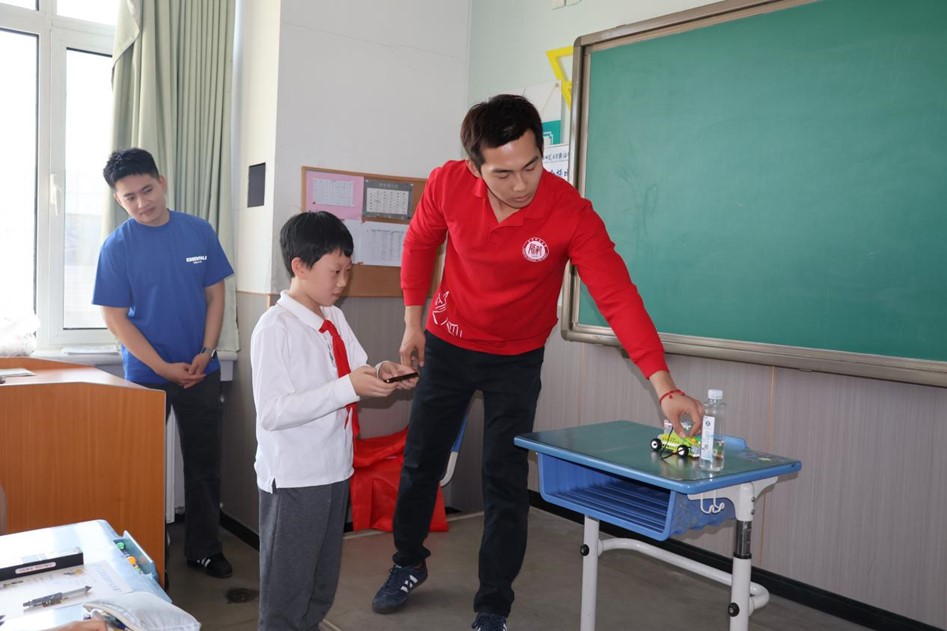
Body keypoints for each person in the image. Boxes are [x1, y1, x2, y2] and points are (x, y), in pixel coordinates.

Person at [371, 94, 704, 631]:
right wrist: (413, 323)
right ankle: (408, 562)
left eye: (531, 166)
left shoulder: (569, 211)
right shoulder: (447, 184)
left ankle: (494, 604)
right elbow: (418, 244)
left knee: (504, 480)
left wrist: (664, 387)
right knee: (420, 462)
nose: (522, 184)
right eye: (503, 174)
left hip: (516, 359)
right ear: (475, 168)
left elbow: (617, 297)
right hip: (449, 344)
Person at [250, 211, 418, 630]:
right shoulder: (275, 328)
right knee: (287, 590)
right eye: (335, 272)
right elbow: (272, 412)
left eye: (348, 271)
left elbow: (357, 370)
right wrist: (347, 388)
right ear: (300, 267)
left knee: (321, 583)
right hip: (295, 477)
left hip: (334, 469)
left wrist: (383, 372)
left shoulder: (333, 317)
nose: (343, 282)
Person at [93, 148, 235, 579]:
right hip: (145, 376)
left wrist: (206, 352)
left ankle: (205, 549)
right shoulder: (116, 247)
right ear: (118, 200)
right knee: (141, 470)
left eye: (147, 190)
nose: (142, 203)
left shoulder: (198, 231)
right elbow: (115, 318)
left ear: (163, 182)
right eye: (130, 197)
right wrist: (162, 366)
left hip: (201, 369)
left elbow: (215, 295)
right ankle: (145, 554)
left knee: (205, 465)